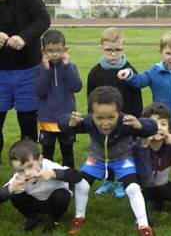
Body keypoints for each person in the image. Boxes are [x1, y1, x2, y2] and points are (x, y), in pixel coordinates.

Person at [58, 86, 157, 235]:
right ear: (91, 114)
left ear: (119, 113)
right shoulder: (87, 121)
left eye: (111, 117)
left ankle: (144, 225)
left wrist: (140, 125)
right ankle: (79, 217)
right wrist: (70, 123)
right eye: (99, 118)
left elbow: (152, 127)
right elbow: (61, 123)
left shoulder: (127, 122)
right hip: (97, 159)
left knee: (133, 188)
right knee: (82, 185)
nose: (105, 123)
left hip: (122, 159)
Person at [0, 0, 51, 162]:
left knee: (28, 123)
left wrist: (24, 37)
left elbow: (43, 19)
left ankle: (28, 165)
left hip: (28, 70)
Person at [88, 27, 143, 198]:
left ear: (123, 48)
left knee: (124, 151)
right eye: (109, 50)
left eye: (117, 50)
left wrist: (136, 119)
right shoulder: (95, 72)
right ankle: (108, 180)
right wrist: (92, 118)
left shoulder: (129, 71)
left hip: (124, 120)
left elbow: (136, 96)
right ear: (101, 48)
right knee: (106, 150)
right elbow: (91, 96)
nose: (113, 53)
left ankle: (122, 181)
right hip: (103, 120)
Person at [0, 139, 83, 233]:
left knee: (62, 195)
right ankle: (31, 217)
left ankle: (54, 218)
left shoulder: (49, 167)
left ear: (40, 160)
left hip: (53, 202)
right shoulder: (18, 178)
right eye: (21, 170)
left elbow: (77, 176)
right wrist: (10, 189)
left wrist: (54, 173)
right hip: (34, 202)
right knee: (15, 194)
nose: (27, 173)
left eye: (30, 166)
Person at [34, 30, 82, 168]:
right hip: (47, 119)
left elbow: (76, 87)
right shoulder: (40, 69)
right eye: (50, 50)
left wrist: (67, 66)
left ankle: (69, 183)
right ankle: (47, 181)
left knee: (67, 153)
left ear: (65, 49)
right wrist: (46, 70)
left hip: (67, 119)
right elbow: (40, 91)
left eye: (58, 50)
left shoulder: (70, 67)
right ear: (43, 50)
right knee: (47, 153)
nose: (54, 54)